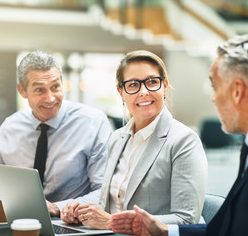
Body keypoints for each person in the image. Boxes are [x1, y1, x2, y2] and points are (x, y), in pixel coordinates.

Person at [109, 34, 248, 236]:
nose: (213, 98)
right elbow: (226, 228)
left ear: (237, 91)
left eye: (215, 86)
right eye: (133, 85)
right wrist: (165, 230)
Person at [0, 51, 113, 217]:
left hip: (72, 224)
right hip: (20, 223)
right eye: (39, 90)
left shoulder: (93, 122)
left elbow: (106, 191)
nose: (51, 98)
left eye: (55, 86)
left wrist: (56, 208)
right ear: (22, 90)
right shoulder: (10, 127)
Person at [60, 50, 208, 229]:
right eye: (132, 85)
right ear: (121, 92)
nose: (144, 91)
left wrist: (111, 222)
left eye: (152, 82)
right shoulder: (117, 138)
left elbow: (187, 220)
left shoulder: (184, 141)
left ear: (165, 86)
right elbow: (111, 204)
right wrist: (81, 212)